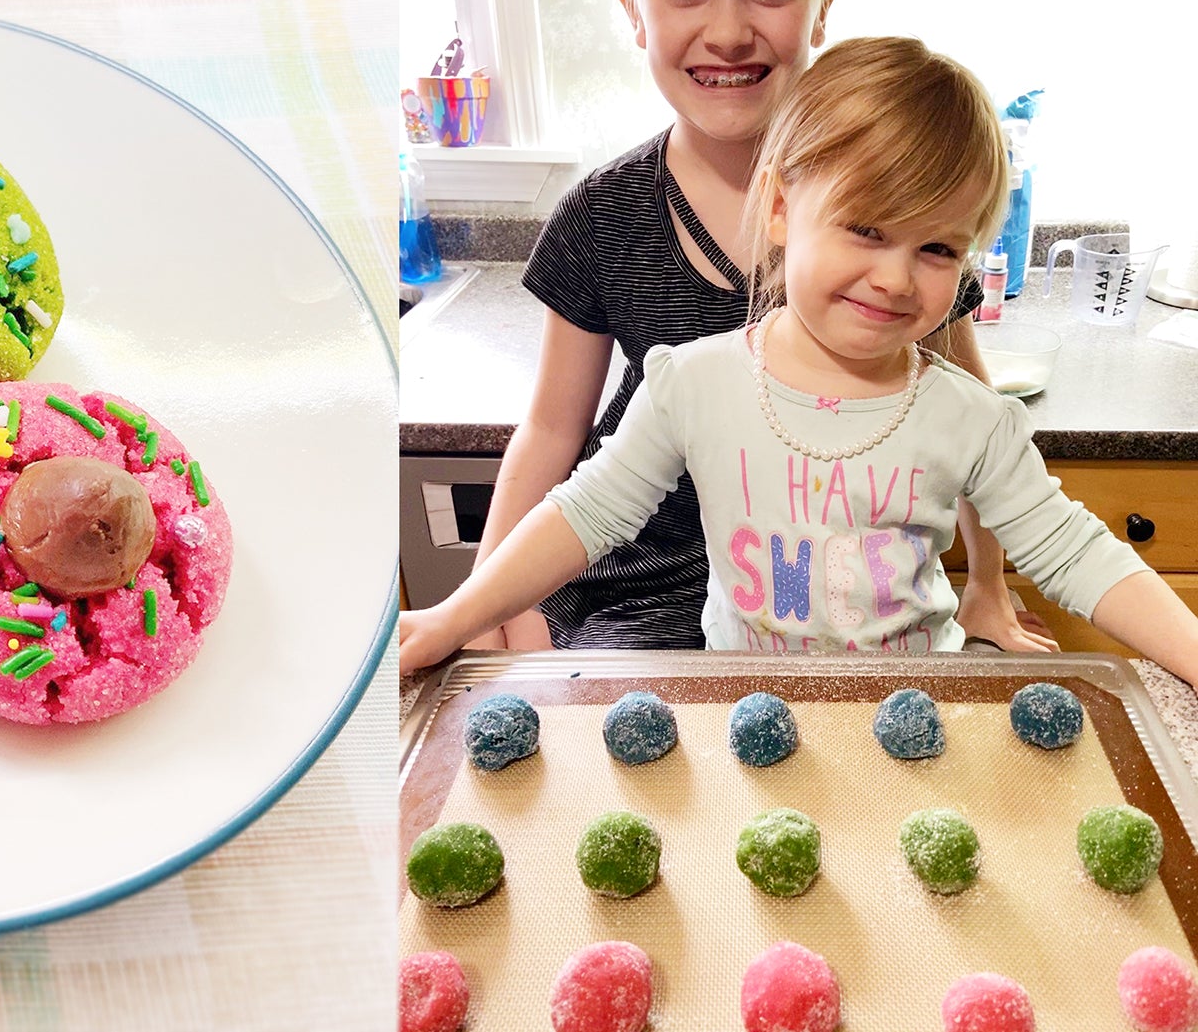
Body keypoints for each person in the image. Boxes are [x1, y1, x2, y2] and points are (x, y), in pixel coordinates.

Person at [400, 37, 1198, 683]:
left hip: (914, 716)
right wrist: (455, 616)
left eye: (937, 247)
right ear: (782, 208)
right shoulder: (692, 383)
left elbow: (1075, 549)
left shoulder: (973, 418)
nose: (894, 276)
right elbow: (584, 514)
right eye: (866, 229)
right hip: (745, 714)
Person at [465, 0, 1054, 660]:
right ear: (630, 3)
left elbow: (971, 412)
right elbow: (552, 432)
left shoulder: (905, 206)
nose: (729, 32)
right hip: (635, 591)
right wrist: (486, 601)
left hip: (835, 607)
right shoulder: (601, 214)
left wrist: (988, 586)